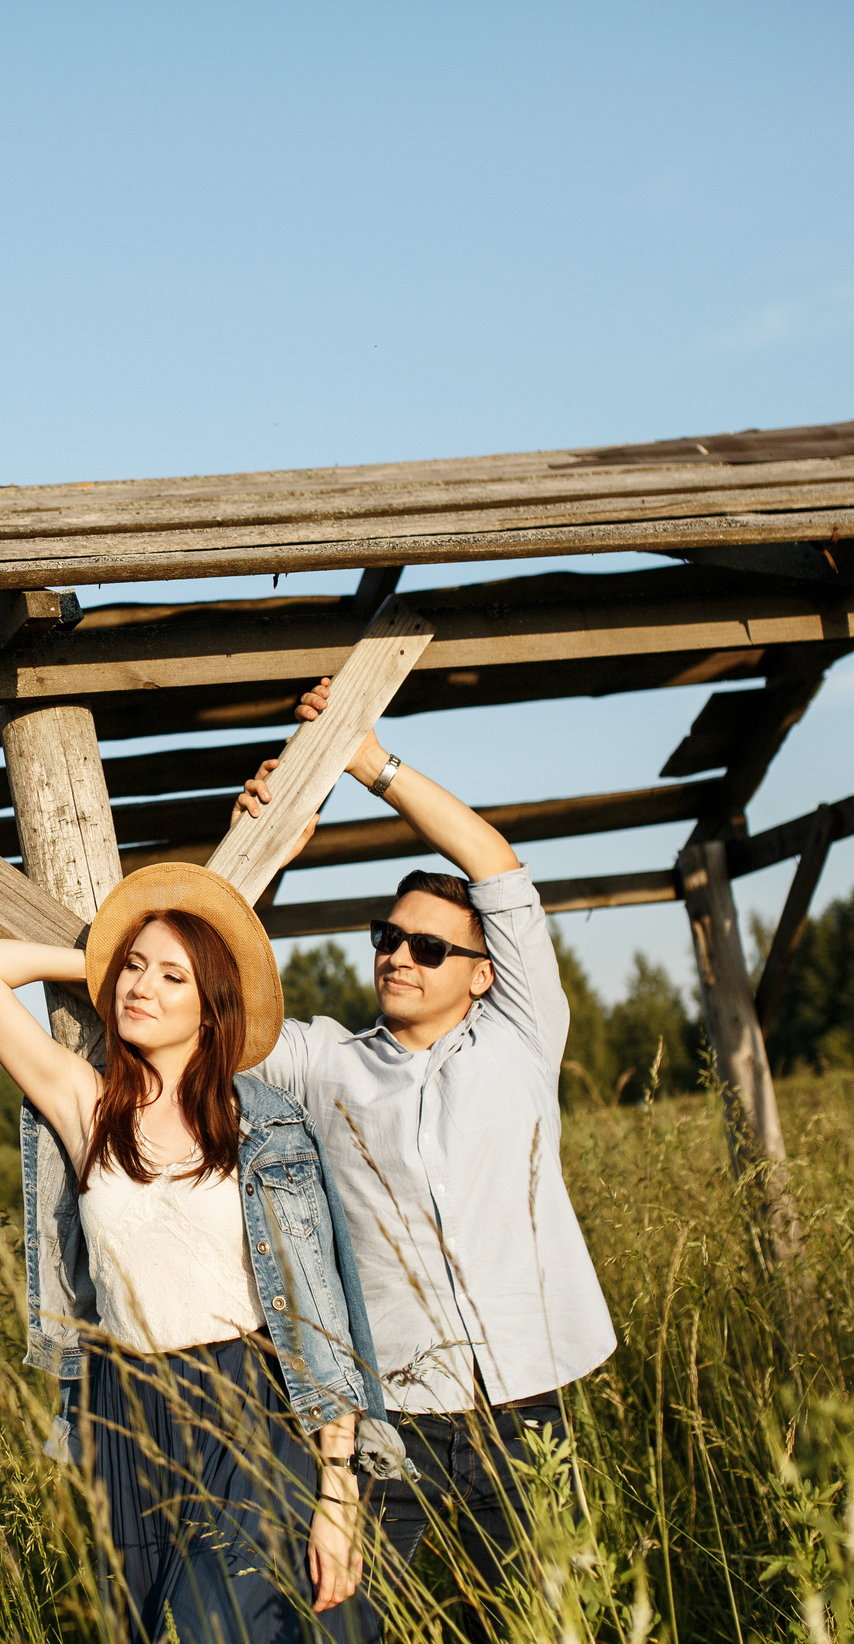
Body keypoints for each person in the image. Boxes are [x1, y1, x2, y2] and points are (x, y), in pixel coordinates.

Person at [233, 677, 618, 1642]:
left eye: (428, 946)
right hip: (395, 1420)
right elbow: (221, 1005)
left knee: (543, 1622)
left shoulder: (523, 1036)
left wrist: (372, 763)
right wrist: (271, 848)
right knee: (361, 1624)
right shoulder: (327, 1062)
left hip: (531, 1402)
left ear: (483, 973)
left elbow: (496, 867)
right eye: (388, 938)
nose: (399, 955)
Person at [0, 862, 404, 1644]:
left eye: (171, 976)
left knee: (219, 1626)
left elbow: (319, 1316)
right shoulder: (86, 1105)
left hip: (246, 1400)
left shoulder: (263, 1130)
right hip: (119, 1409)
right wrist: (99, 956)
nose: (139, 986)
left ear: (210, 1008)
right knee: (141, 1625)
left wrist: (339, 1496)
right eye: (133, 966)